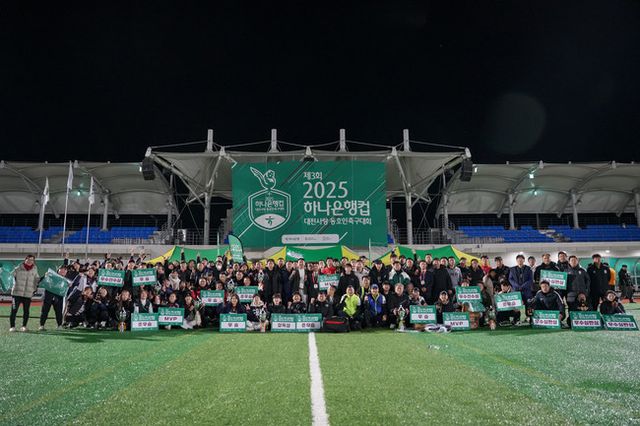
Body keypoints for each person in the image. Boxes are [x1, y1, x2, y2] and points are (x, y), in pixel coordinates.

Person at [9, 254, 39, 332]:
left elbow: (37, 279)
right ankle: (12, 327)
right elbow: (10, 276)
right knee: (14, 310)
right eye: (28, 259)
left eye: (32, 260)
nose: (30, 261)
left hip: (28, 294)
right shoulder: (18, 268)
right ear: (25, 260)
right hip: (16, 293)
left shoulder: (35, 269)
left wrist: (35, 289)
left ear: (33, 261)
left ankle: (24, 326)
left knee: (26, 311)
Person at [39, 264, 69, 331]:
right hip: (48, 296)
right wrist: (45, 276)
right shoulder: (52, 275)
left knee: (59, 312)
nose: (63, 271)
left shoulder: (66, 280)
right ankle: (41, 325)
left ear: (66, 272)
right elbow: (41, 280)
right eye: (61, 269)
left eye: (65, 270)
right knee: (45, 311)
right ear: (58, 270)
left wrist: (69, 285)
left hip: (59, 298)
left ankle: (59, 325)